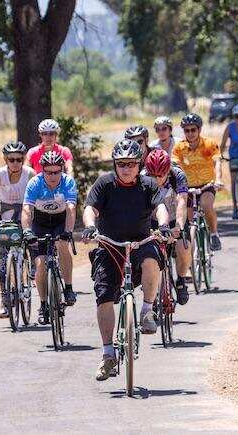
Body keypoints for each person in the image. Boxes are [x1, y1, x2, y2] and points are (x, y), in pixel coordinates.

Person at [82, 139, 170, 381]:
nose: (126, 169)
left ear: (138, 164)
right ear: (115, 165)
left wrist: (163, 225)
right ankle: (108, 354)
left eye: (131, 164)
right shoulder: (104, 183)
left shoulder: (148, 184)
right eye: (121, 164)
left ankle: (146, 311)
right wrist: (89, 226)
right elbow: (90, 208)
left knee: (153, 258)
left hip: (140, 242)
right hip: (110, 245)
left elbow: (160, 206)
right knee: (104, 297)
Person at [0, 141, 36, 318]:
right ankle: (5, 300)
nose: (15, 163)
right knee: (4, 262)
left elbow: (36, 196)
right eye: (11, 159)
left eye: (19, 159)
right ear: (5, 159)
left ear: (24, 159)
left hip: (26, 216)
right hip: (5, 219)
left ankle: (32, 267)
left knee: (32, 244)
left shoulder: (30, 174)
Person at [21, 151, 78, 324]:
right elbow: (26, 210)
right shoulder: (35, 183)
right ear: (42, 171)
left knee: (62, 246)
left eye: (56, 172)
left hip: (61, 220)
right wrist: (27, 231)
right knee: (40, 264)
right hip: (41, 221)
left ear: (61, 169)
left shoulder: (67, 181)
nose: (53, 176)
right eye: (48, 172)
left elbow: (70, 208)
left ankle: (68, 288)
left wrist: (68, 231)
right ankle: (44, 304)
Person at [142, 148, 190, 305]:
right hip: (153, 220)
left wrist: (179, 227)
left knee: (184, 247)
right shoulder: (142, 177)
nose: (157, 179)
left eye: (160, 175)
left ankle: (181, 280)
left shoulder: (178, 175)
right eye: (152, 175)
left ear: (168, 170)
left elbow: (182, 201)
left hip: (175, 217)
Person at [171, 113, 224, 251]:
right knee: (187, 221)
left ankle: (213, 233)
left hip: (206, 185)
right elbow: (174, 166)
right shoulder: (179, 148)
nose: (190, 133)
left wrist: (218, 179)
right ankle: (192, 253)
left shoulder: (209, 144)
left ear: (199, 129)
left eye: (193, 130)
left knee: (206, 206)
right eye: (186, 130)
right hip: (187, 187)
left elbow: (217, 162)